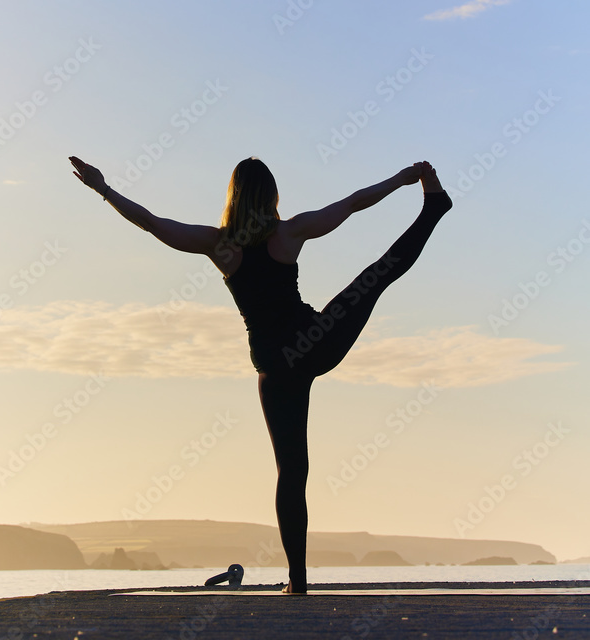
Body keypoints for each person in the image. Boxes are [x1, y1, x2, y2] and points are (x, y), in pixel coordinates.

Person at [69, 154, 452, 594]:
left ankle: (298, 582)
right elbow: (352, 203)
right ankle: (433, 209)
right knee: (376, 275)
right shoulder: (288, 232)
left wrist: (104, 189)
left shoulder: (220, 246)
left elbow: (152, 223)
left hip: (276, 368)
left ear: (233, 196)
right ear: (271, 196)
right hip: (316, 341)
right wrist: (402, 179)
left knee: (292, 472)